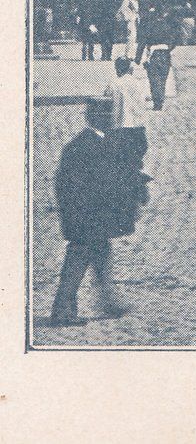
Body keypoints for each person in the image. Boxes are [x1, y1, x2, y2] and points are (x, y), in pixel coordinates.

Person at [47, 98, 141, 326]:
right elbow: (78, 185)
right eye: (106, 116)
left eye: (110, 115)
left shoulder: (94, 142)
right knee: (77, 262)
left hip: (92, 218)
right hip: (86, 219)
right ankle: (62, 312)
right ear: (94, 117)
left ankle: (109, 302)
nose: (111, 119)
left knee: (101, 256)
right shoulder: (85, 146)